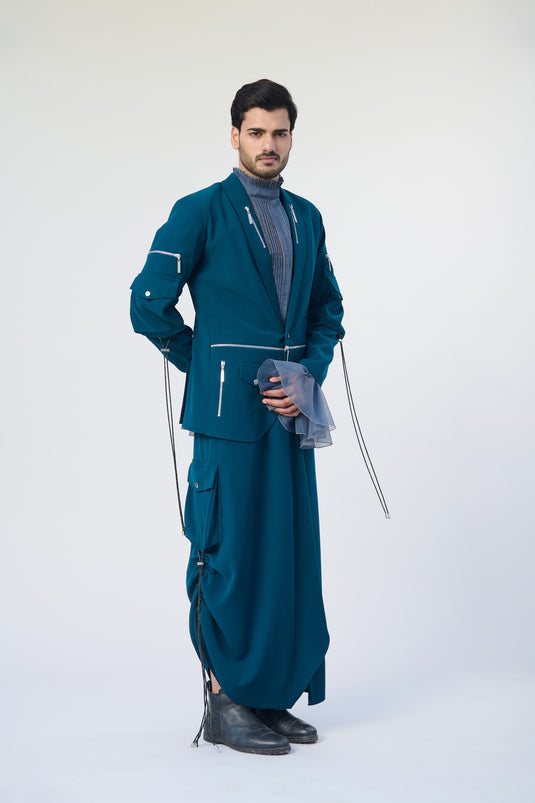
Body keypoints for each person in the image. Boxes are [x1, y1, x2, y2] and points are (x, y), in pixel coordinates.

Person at [130, 79, 344, 755]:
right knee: (227, 552)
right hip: (227, 418)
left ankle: (268, 694)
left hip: (292, 412)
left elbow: (327, 312)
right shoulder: (199, 210)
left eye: (279, 132)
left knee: (286, 555)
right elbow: (146, 305)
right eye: (256, 132)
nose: (268, 144)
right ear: (234, 135)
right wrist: (206, 367)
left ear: (291, 137)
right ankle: (225, 702)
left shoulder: (306, 216)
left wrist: (306, 374)